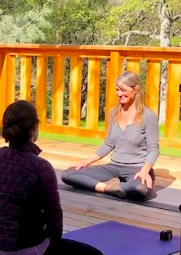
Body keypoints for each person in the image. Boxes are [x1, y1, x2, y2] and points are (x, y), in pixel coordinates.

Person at [0, 101, 104, 255]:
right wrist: (52, 244)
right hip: (22, 253)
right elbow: (55, 217)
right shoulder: (40, 167)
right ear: (33, 129)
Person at [61, 71, 159, 201]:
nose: (119, 94)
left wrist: (145, 170)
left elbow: (154, 149)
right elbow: (109, 143)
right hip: (113, 166)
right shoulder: (113, 112)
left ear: (136, 89)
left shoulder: (148, 116)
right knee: (68, 174)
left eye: (123, 90)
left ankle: (119, 186)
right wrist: (85, 162)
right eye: (117, 90)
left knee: (139, 190)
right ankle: (109, 188)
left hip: (137, 168)